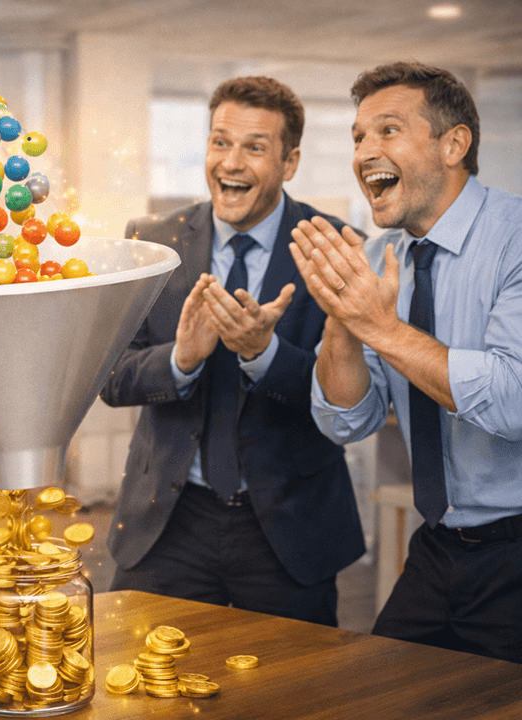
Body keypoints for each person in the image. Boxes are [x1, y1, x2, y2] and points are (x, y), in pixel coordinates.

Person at [100, 76, 366, 626]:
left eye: (255, 147)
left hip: (289, 530)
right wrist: (182, 358)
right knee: (142, 698)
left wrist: (264, 353)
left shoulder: (334, 246)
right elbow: (110, 378)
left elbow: (350, 401)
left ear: (289, 162)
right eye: (220, 142)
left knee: (292, 699)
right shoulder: (151, 242)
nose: (231, 162)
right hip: (167, 525)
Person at [289, 61, 522, 663]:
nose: (366, 150)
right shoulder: (379, 255)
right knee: (381, 691)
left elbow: (512, 398)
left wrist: (380, 327)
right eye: (358, 137)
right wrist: (342, 318)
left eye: (387, 131)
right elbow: (346, 421)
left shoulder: (516, 238)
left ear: (454, 144)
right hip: (440, 547)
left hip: (518, 547)